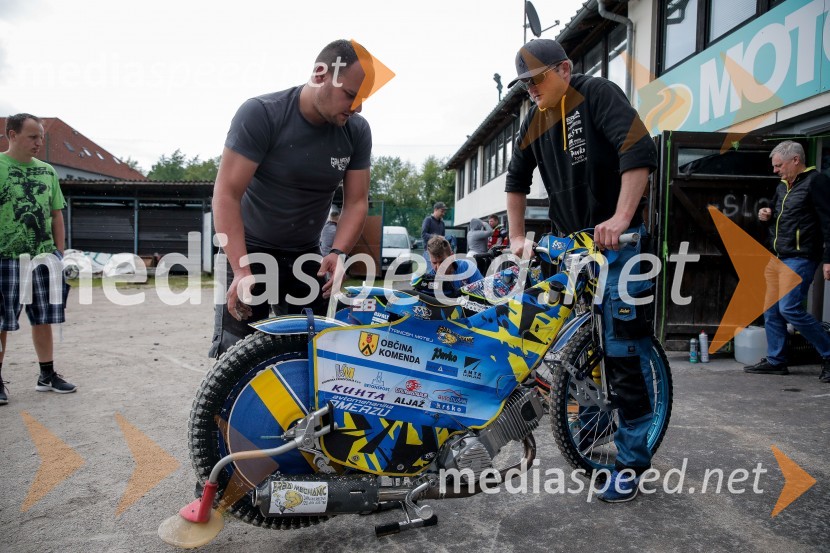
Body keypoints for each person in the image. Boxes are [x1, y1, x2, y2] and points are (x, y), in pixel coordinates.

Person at [504, 39, 658, 502]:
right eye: (524, 85)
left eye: (536, 80)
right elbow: (516, 180)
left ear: (564, 70)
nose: (531, 90)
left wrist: (622, 218)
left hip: (619, 245)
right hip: (572, 249)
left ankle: (632, 461)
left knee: (622, 349)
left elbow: (639, 151)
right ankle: (593, 420)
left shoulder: (597, 94)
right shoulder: (534, 119)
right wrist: (516, 237)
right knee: (567, 346)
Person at [210, 39, 372, 358]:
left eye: (362, 99)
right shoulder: (262, 114)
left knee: (310, 353)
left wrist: (338, 251)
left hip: (305, 253)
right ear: (320, 75)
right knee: (238, 356)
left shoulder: (356, 131)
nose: (357, 107)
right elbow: (227, 193)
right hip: (249, 250)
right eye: (350, 95)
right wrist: (240, 269)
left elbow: (356, 201)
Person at [0, 113, 77, 403]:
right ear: (12, 134)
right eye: (33, 136)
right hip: (5, 257)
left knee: (43, 318)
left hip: (43, 258)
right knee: (1, 321)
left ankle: (47, 375)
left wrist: (59, 254)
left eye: (41, 137)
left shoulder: (47, 171)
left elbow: (56, 214)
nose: (38, 142)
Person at [744, 141, 830, 381]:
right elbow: (776, 211)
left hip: (801, 258)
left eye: (779, 165)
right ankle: (776, 360)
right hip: (778, 257)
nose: (775, 170)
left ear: (795, 160)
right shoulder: (783, 186)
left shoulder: (817, 182)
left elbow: (828, 222)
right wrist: (766, 213)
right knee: (771, 310)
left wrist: (828, 259)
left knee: (789, 308)